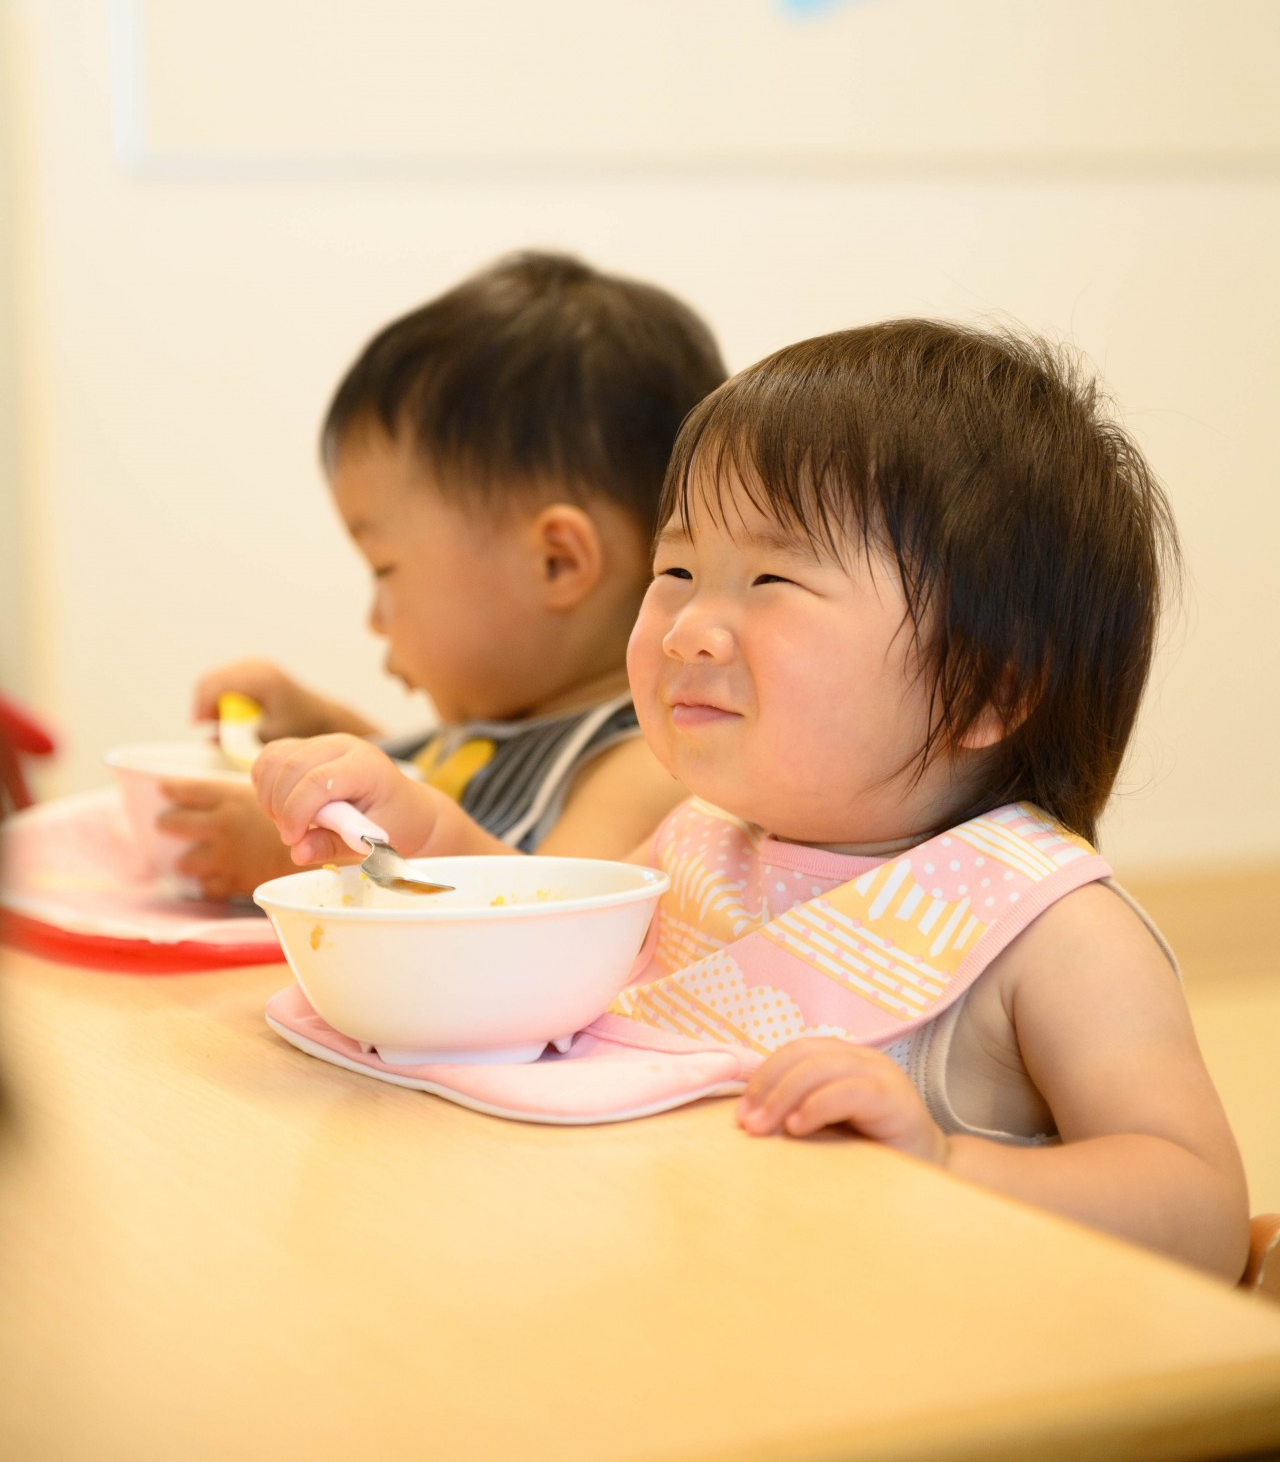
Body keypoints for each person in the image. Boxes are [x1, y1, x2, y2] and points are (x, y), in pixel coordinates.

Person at [250, 320, 1248, 1278]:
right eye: (676, 569)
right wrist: (405, 828)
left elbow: (1197, 1211)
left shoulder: (1049, 928)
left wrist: (948, 1169)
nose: (686, 627)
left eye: (768, 577)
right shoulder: (697, 844)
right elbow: (543, 938)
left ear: (987, 686)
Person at [159, 252, 726, 898]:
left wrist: (318, 859)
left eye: (385, 570)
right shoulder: (501, 721)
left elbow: (548, 917)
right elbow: (433, 787)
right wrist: (314, 727)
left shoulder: (650, 762)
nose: (374, 618)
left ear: (557, 562)